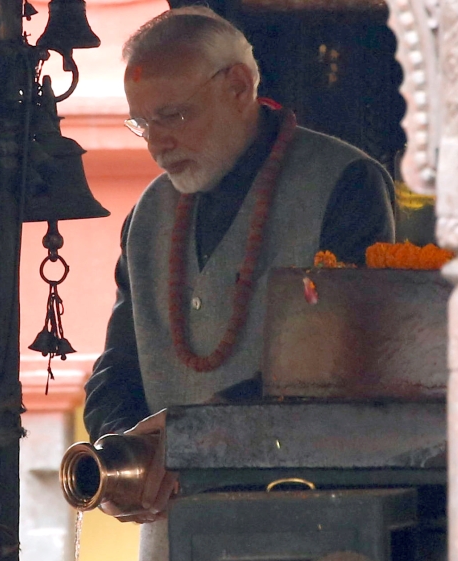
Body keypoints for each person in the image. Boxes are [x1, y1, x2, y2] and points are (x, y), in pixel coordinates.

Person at [81, 7, 395, 559]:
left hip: (306, 519)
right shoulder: (147, 216)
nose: (156, 144)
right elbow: (118, 364)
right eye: (143, 123)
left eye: (174, 116)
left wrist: (191, 435)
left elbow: (346, 366)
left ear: (238, 87)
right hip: (177, 528)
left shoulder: (342, 181)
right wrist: (122, 451)